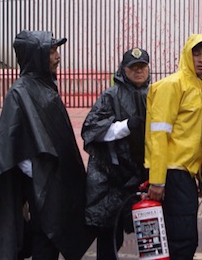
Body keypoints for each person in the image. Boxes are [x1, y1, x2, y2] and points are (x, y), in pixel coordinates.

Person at [0, 30, 90, 260]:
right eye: (51, 51)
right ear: (36, 55)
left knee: (53, 236)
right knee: (45, 236)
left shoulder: (46, 85)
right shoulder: (19, 93)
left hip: (56, 181)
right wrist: (42, 175)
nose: (57, 56)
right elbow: (13, 147)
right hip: (42, 185)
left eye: (56, 50)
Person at [144, 33, 202, 260]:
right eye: (196, 54)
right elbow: (158, 135)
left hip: (186, 174)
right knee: (182, 240)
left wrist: (201, 175)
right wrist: (157, 179)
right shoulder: (172, 85)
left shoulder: (199, 89)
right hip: (172, 172)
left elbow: (198, 138)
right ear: (187, 55)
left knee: (178, 238)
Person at [82, 47, 151, 260]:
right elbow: (92, 131)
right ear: (124, 69)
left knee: (150, 233)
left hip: (143, 177)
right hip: (112, 179)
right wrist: (125, 126)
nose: (139, 71)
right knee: (110, 235)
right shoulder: (111, 96)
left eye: (143, 67)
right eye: (134, 67)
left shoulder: (156, 93)